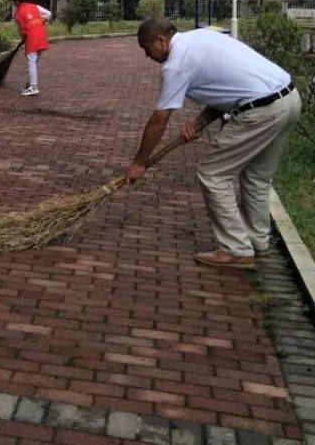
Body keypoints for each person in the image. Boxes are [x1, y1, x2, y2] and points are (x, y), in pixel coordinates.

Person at [125, 17, 301, 270]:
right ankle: (257, 242)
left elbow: (159, 121)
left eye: (146, 48)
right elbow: (230, 90)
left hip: (261, 112)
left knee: (213, 174)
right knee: (256, 177)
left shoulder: (175, 65)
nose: (146, 55)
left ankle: (236, 249)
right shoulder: (202, 37)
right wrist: (198, 124)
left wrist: (139, 163)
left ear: (160, 41)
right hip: (289, 98)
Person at [11, 0, 51, 96]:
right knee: (34, 62)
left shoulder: (18, 13)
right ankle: (31, 84)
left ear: (18, 1)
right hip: (41, 36)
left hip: (32, 38)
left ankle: (33, 87)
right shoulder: (34, 6)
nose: (13, 4)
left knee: (31, 62)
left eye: (14, 2)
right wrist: (41, 22)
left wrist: (23, 38)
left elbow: (21, 30)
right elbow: (48, 14)